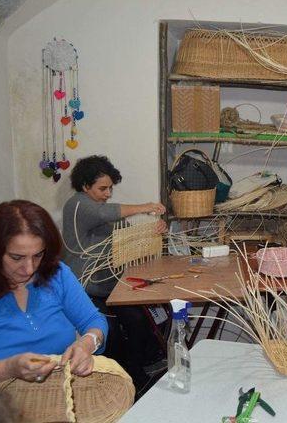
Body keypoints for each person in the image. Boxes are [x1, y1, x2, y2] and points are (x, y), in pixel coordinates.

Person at [0, 200, 108, 386]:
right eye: (17, 258)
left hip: (58, 395)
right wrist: (7, 369)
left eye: (38, 255)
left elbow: (94, 321)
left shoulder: (57, 275)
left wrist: (87, 344)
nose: (29, 269)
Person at [62, 155, 167, 395]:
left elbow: (127, 235)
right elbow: (104, 214)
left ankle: (135, 375)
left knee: (139, 319)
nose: (108, 193)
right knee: (110, 330)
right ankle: (119, 382)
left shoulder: (101, 212)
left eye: (110, 188)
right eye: (102, 188)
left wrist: (156, 229)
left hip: (108, 286)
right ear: (85, 186)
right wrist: (146, 206)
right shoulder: (77, 205)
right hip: (84, 288)